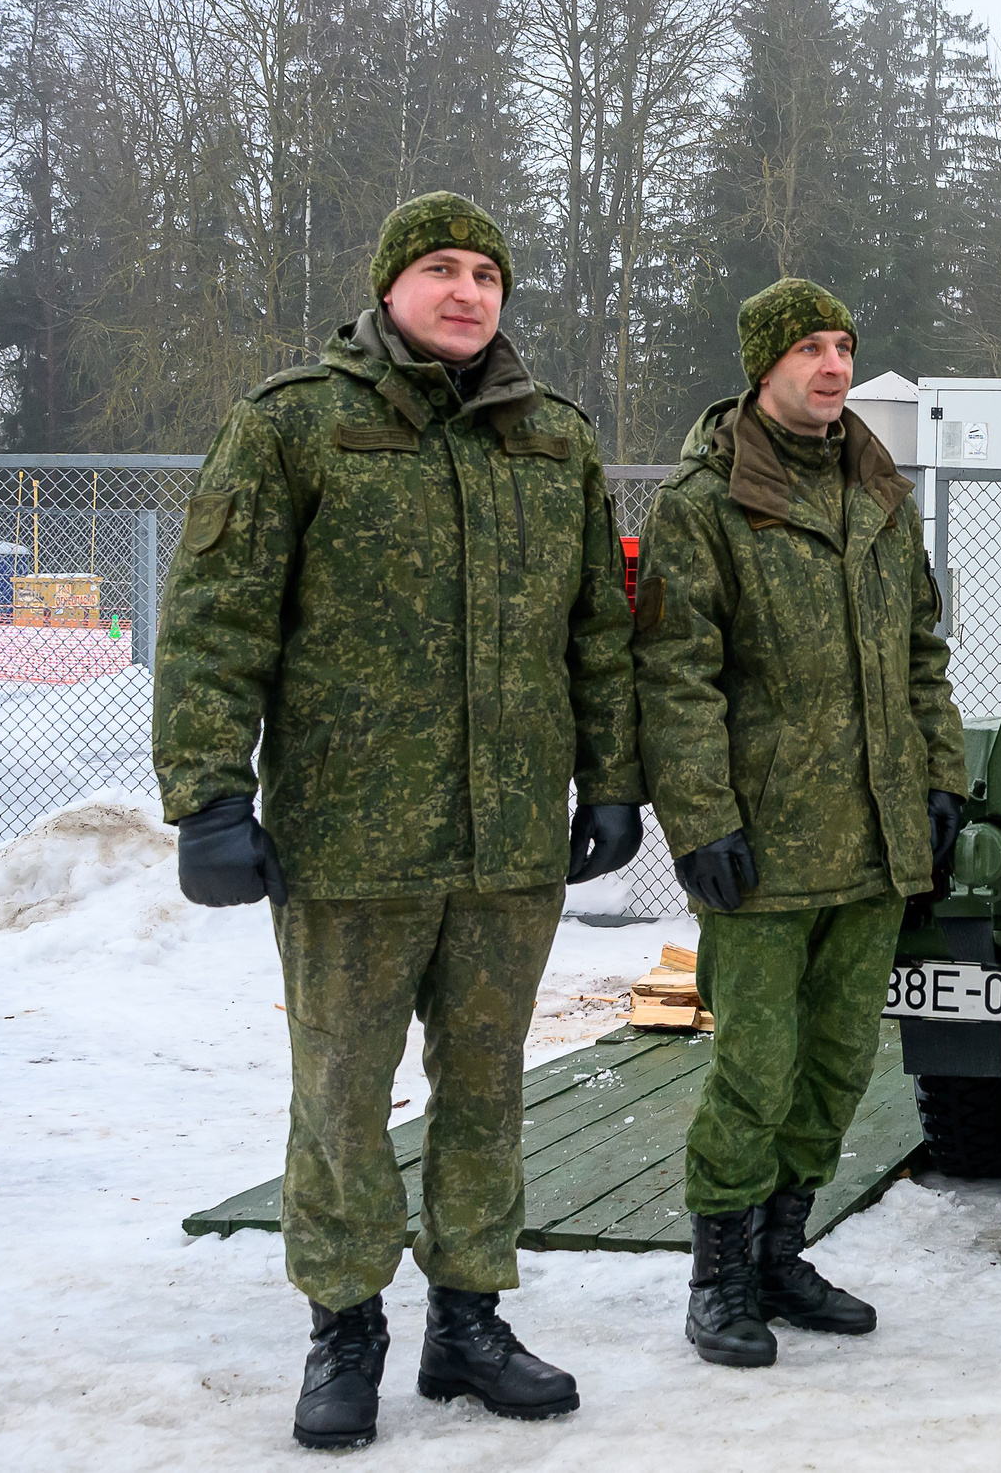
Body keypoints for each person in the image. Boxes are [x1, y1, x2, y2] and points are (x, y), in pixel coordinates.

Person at [152, 192, 645, 1449]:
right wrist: (209, 797)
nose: (468, 291)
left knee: (486, 1089)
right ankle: (346, 1325)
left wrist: (611, 779)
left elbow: (597, 635)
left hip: (507, 844)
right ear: (388, 287)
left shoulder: (554, 443)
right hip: (348, 843)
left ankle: (468, 1320)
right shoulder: (295, 428)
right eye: (441, 268)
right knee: (341, 1092)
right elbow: (216, 623)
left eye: (487, 272)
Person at [632, 278, 965, 1367]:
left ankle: (782, 1253)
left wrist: (940, 781)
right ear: (762, 366)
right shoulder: (705, 504)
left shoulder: (877, 491)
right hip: (765, 852)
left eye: (843, 347)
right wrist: (699, 821)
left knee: (834, 1069)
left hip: (871, 844)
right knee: (754, 1071)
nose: (832, 366)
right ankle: (719, 1275)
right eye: (810, 349)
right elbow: (677, 679)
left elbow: (922, 652)